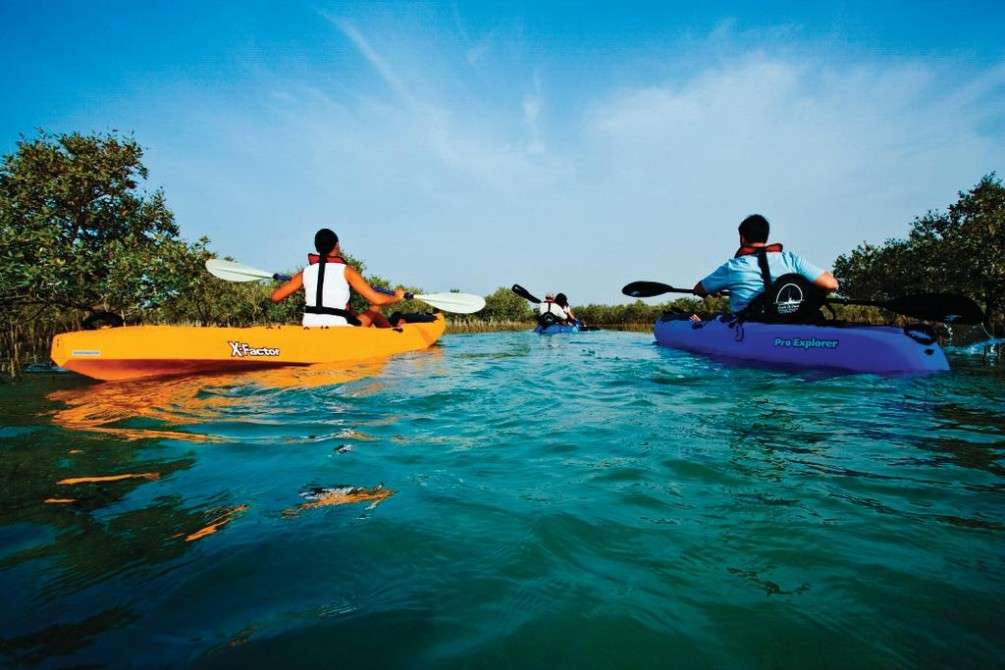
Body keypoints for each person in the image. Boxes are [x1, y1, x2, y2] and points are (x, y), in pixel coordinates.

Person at [693, 214, 839, 317]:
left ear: (742, 238)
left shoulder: (733, 267)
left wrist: (714, 290)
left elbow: (699, 289)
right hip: (793, 321)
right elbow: (831, 285)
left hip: (751, 325)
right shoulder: (790, 259)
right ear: (766, 237)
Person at [271, 228, 404, 327]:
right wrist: (397, 297)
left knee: (352, 313)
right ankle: (393, 336)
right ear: (337, 245)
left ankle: (390, 331)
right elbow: (378, 299)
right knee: (375, 306)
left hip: (310, 325)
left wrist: (300, 282)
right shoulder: (347, 271)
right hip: (339, 327)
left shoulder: (305, 272)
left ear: (317, 248)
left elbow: (275, 297)